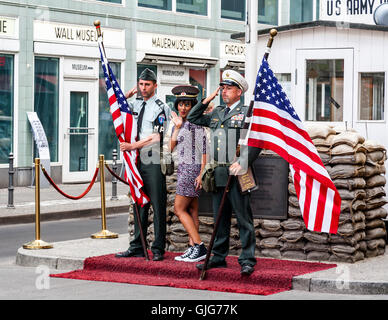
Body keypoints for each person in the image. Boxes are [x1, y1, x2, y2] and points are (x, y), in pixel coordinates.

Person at [187, 70, 261, 276]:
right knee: (220, 217)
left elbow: (256, 142)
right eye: (223, 88)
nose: (224, 92)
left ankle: (247, 259)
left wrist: (243, 162)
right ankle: (218, 257)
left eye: (228, 88)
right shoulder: (218, 111)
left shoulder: (248, 113)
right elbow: (193, 117)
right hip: (218, 172)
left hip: (238, 172)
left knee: (243, 218)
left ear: (239, 92)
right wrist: (207, 99)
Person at [115, 68, 171, 262]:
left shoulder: (160, 107)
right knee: (139, 202)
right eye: (141, 84)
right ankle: (138, 245)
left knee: (157, 204)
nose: (143, 88)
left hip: (152, 157)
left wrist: (132, 146)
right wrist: (127, 94)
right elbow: (114, 109)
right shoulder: (135, 103)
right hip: (136, 159)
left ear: (155, 86)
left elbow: (156, 137)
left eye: (147, 84)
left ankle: (157, 248)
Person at [167, 85, 208, 263]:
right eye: (181, 104)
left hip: (192, 170)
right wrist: (176, 127)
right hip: (184, 168)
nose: (183, 108)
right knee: (192, 211)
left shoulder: (195, 124)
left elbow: (205, 150)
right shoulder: (179, 123)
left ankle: (199, 245)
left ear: (193, 107)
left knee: (179, 208)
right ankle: (192, 248)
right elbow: (170, 148)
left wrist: (201, 174)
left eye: (187, 105)